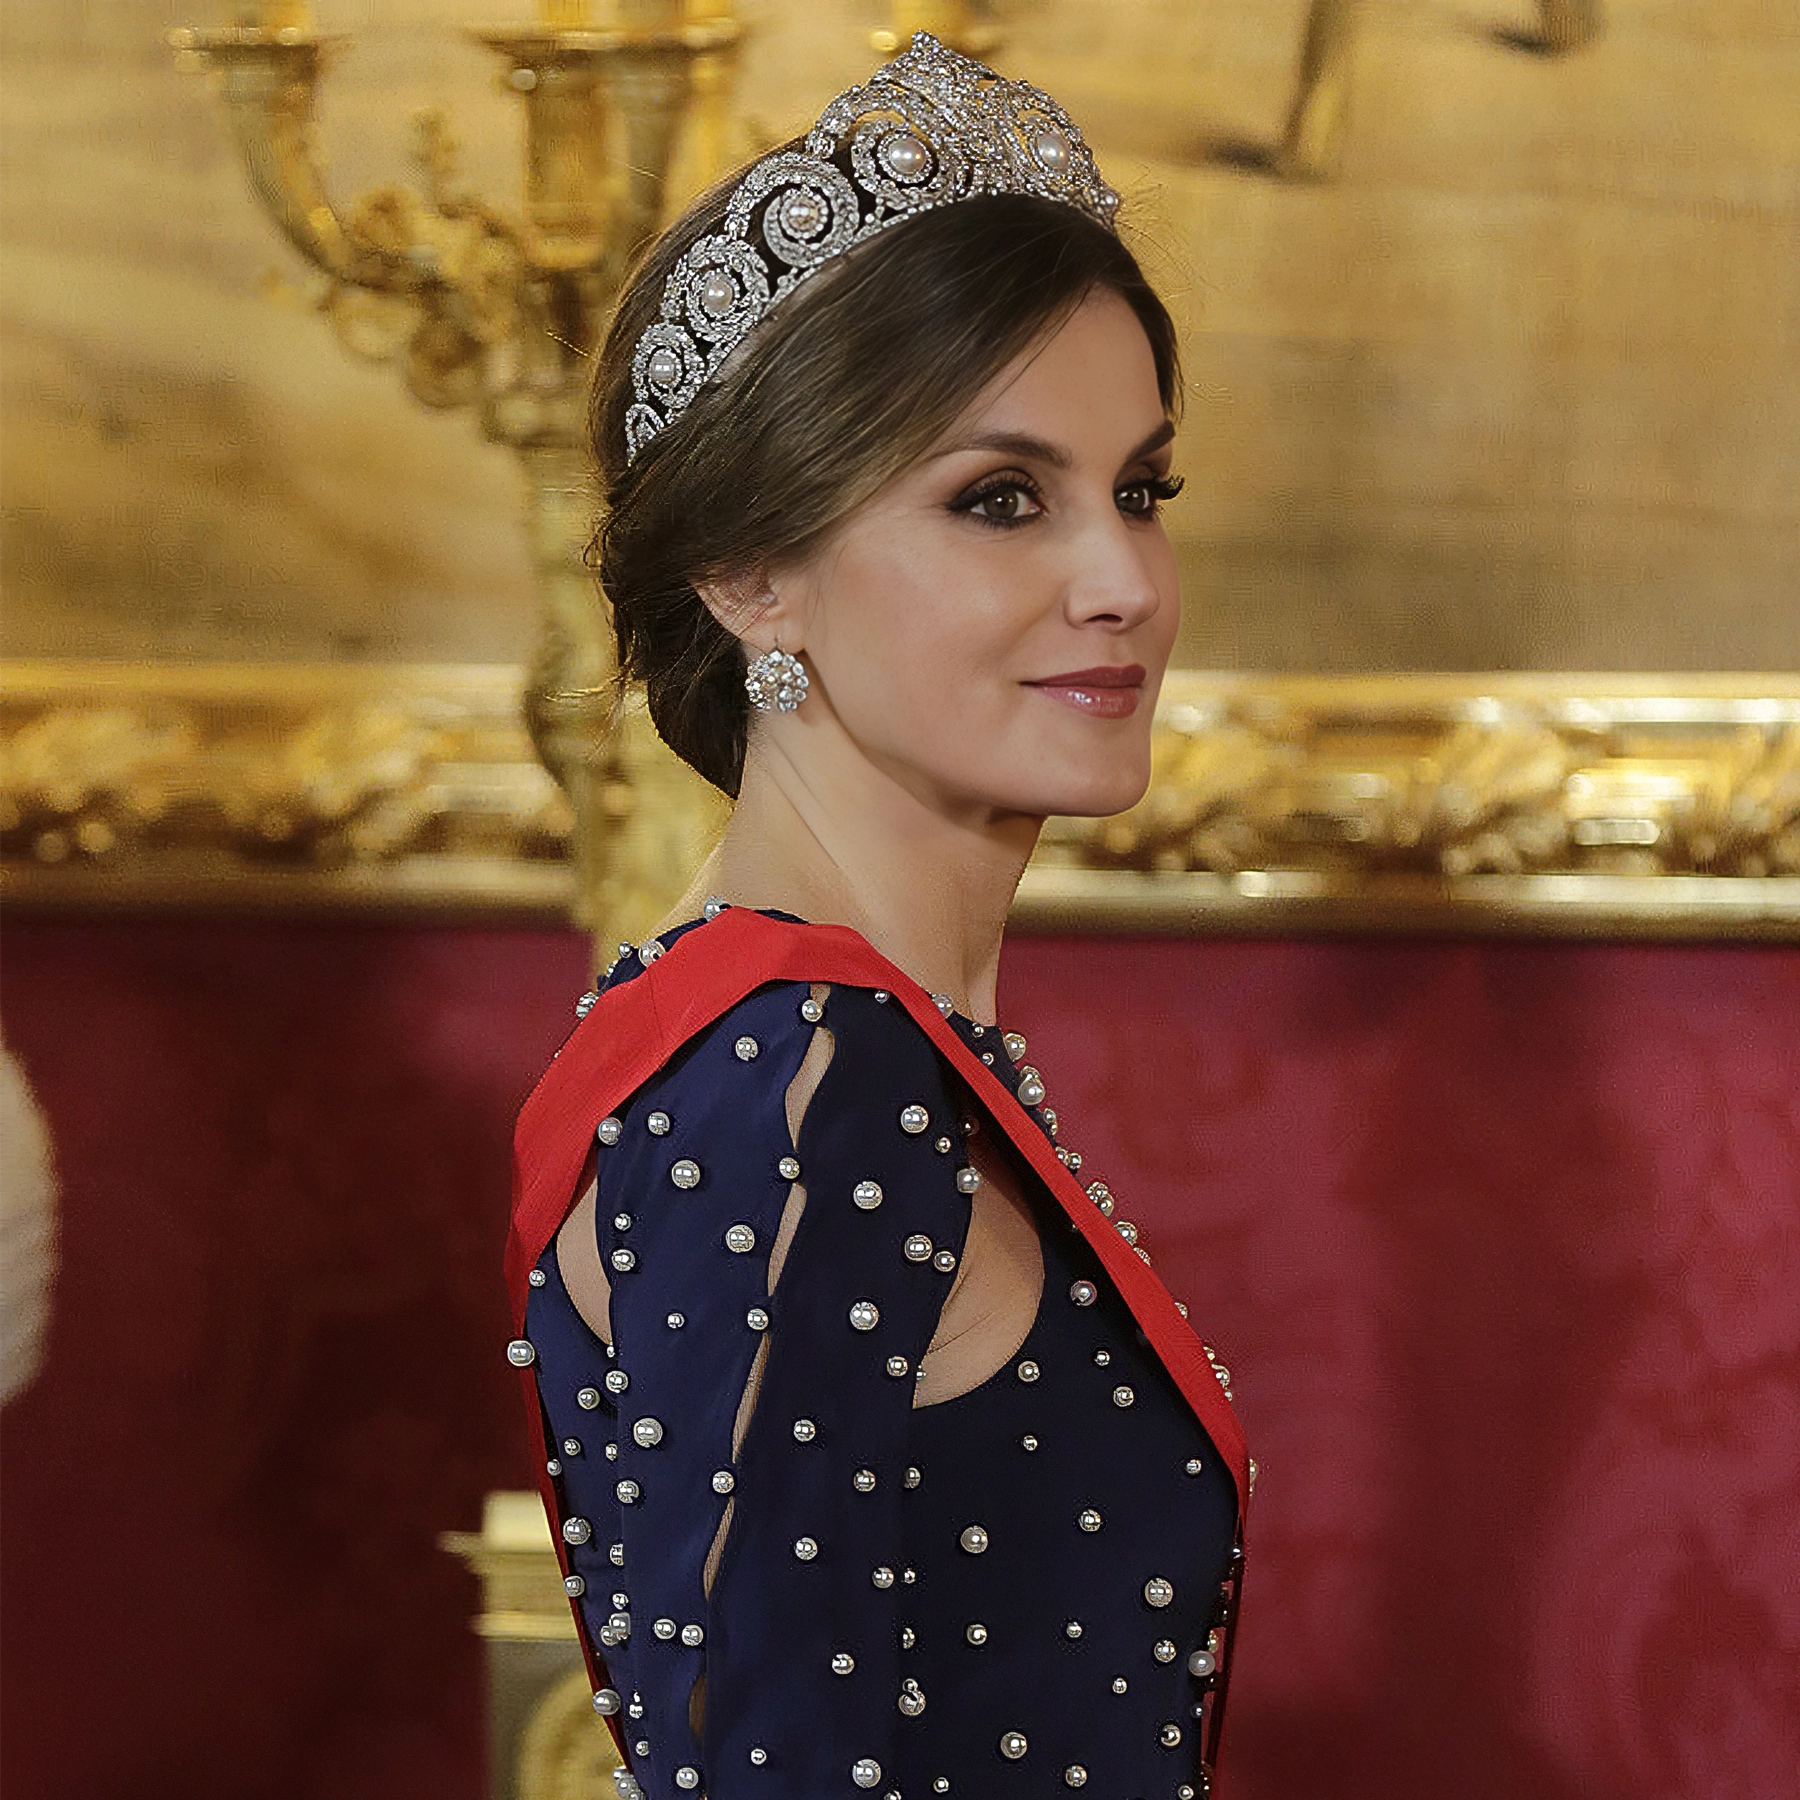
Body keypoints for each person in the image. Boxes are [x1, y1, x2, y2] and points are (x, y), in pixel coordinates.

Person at [507, 34, 1250, 1799]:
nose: (1123, 579)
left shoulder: (825, 1042)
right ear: (750, 573)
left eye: (1141, 490)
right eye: (1001, 500)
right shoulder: (799, 1079)